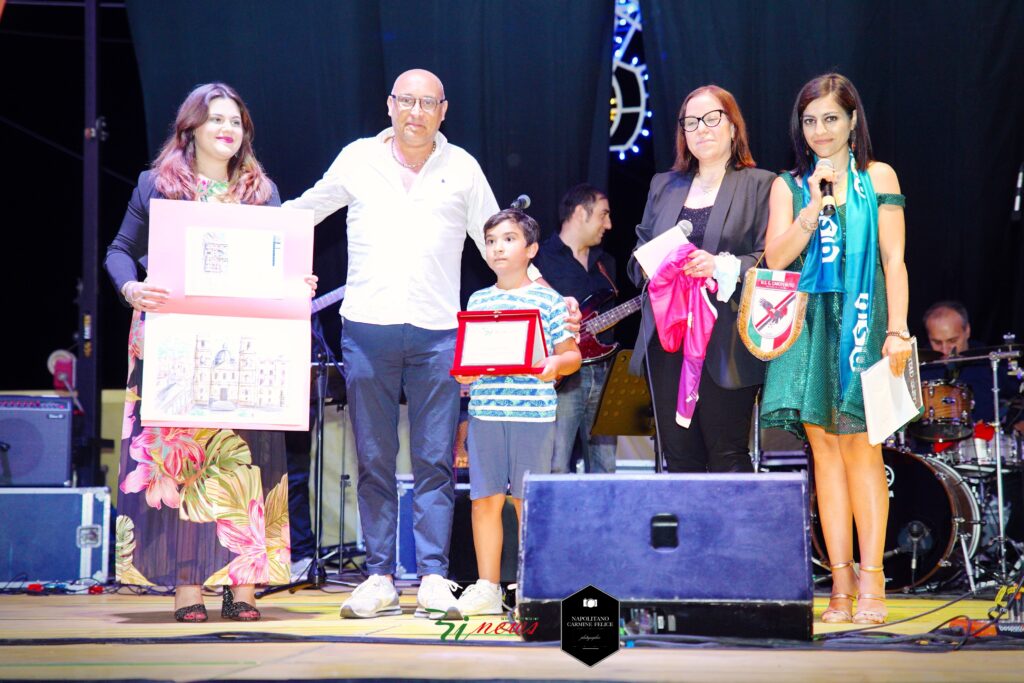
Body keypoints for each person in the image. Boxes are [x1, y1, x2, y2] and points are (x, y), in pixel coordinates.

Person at [282, 69, 579, 620]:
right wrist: (243, 238)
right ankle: (378, 576)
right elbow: (305, 209)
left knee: (436, 459)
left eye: (427, 103)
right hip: (366, 328)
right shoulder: (356, 159)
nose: (415, 111)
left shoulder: (462, 167)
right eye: (406, 101)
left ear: (444, 110)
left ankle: (435, 575)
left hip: (442, 332)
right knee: (372, 457)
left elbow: (500, 236)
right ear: (390, 105)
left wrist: (551, 298)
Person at [105, 82, 316, 622]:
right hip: (175, 344)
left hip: (245, 346)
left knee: (248, 459)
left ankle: (244, 587)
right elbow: (120, 252)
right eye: (216, 119)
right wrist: (132, 289)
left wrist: (298, 281)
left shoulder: (261, 192)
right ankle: (187, 587)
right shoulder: (157, 185)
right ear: (191, 127)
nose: (228, 129)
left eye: (237, 121)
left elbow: (278, 263)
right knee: (183, 465)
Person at [761, 73, 912, 625]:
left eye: (831, 118)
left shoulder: (878, 177)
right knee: (823, 455)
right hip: (810, 326)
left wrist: (897, 328)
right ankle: (840, 584)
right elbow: (775, 260)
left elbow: (894, 260)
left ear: (852, 122)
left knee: (862, 451)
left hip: (865, 323)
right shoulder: (789, 185)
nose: (820, 130)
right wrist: (810, 211)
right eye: (810, 120)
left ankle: (873, 582)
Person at [626, 85, 773, 473]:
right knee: (678, 457)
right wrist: (655, 264)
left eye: (712, 119)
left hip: (726, 337)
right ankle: (688, 536)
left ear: (732, 126)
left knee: (727, 453)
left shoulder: (761, 184)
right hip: (667, 338)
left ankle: (733, 537)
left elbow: (770, 259)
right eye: (691, 122)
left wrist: (720, 266)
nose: (702, 129)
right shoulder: (663, 185)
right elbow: (636, 260)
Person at [453, 209, 581, 615]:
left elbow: (572, 355)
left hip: (533, 416)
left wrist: (555, 366)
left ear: (531, 249)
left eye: (508, 239)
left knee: (527, 502)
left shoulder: (548, 300)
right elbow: (470, 359)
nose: (497, 247)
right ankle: (488, 587)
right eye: (491, 241)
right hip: (486, 412)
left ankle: (533, 588)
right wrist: (463, 377)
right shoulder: (479, 299)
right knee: (484, 500)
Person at [531, 184, 617, 473]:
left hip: (603, 373)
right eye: (603, 215)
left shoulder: (606, 263)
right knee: (556, 464)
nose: (609, 224)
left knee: (605, 467)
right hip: (563, 375)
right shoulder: (539, 259)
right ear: (581, 213)